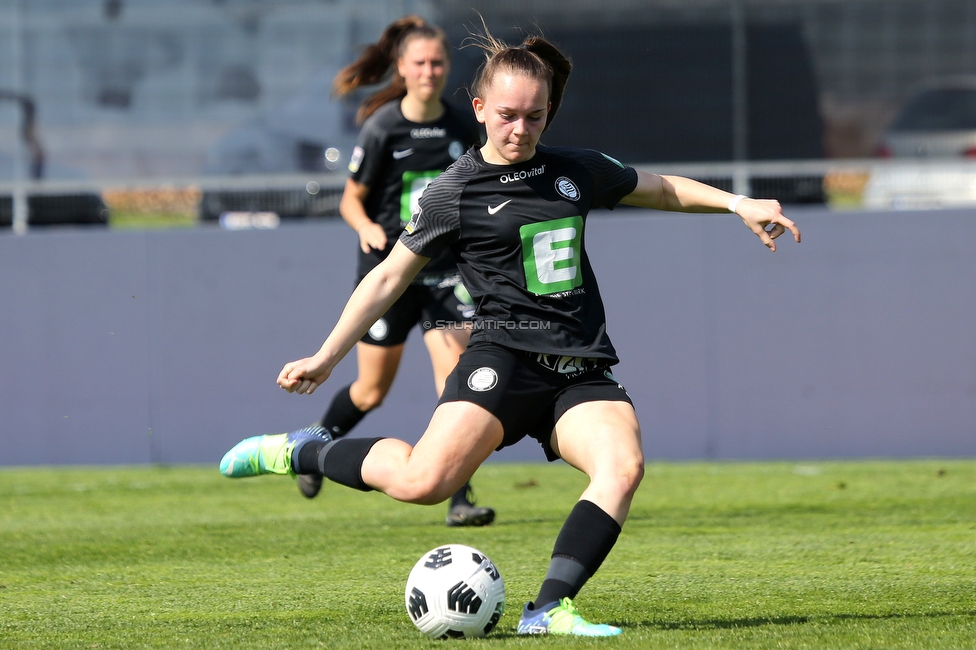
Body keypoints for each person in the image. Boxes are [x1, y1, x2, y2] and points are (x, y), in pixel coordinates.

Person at [220, 29, 800, 636]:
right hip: (502, 360)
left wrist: (738, 204)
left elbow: (658, 188)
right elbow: (389, 274)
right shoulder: (454, 192)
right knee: (423, 481)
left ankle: (548, 609)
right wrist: (326, 355)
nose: (520, 129)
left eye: (534, 116)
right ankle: (296, 450)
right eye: (506, 116)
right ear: (478, 110)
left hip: (577, 366)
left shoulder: (574, 169)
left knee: (622, 465)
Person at [295, 16, 495, 527]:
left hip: (447, 276)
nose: (429, 71)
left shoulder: (458, 125)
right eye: (420, 63)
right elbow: (351, 200)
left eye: (437, 63)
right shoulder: (383, 127)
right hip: (392, 273)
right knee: (370, 390)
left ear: (446, 68)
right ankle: (315, 444)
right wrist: (364, 226)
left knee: (456, 380)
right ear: (402, 69)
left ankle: (459, 497)